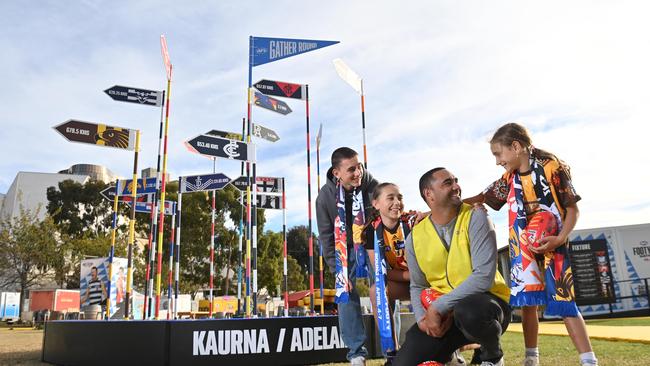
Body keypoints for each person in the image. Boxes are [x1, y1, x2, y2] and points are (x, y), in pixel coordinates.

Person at [463, 122, 598, 366]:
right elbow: (484, 197)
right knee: (528, 302)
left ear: (515, 147)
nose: (497, 161)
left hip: (553, 240)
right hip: (523, 244)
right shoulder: (509, 177)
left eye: (498, 154)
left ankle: (589, 360)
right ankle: (531, 357)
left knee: (565, 299)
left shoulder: (551, 167)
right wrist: (447, 205)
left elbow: (572, 209)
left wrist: (560, 238)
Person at [394, 167, 511, 366]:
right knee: (404, 362)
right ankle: (450, 357)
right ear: (429, 194)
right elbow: (418, 285)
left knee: (469, 311)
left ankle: (492, 357)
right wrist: (423, 320)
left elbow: (483, 276)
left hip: (486, 305)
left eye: (456, 180)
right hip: (443, 314)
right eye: (448, 183)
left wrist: (439, 306)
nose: (457, 186)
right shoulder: (414, 237)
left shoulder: (477, 216)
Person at [316, 147, 377, 366]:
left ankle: (392, 345)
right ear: (336, 173)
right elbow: (326, 237)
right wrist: (337, 271)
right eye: (351, 169)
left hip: (371, 245)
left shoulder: (371, 185)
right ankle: (356, 354)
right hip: (345, 250)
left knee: (382, 289)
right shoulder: (324, 197)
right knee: (346, 295)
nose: (358, 172)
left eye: (359, 166)